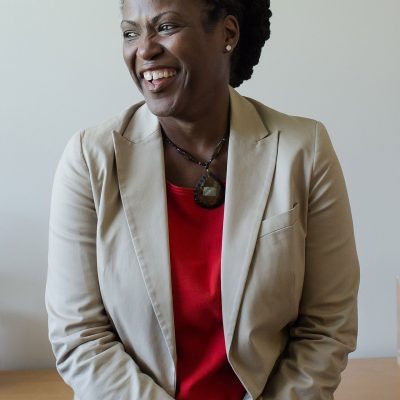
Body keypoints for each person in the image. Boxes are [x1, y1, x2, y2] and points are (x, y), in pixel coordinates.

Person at [46, 0, 360, 399]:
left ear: (227, 34)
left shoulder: (303, 151)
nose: (144, 49)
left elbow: (327, 324)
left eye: (166, 26)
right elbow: (79, 335)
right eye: (130, 32)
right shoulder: (90, 160)